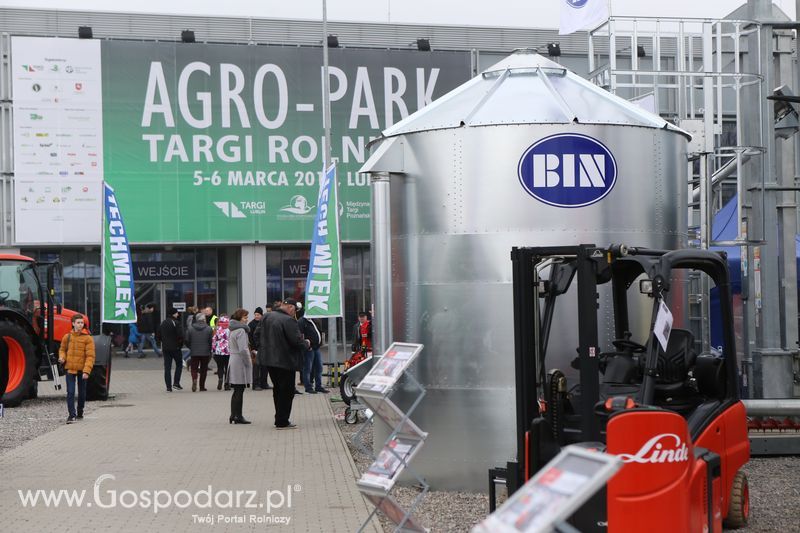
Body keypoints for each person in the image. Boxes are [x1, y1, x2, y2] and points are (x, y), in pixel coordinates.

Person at [259, 298, 309, 429]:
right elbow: (296, 341)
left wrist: (262, 348)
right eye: (295, 310)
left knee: (277, 389)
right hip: (285, 361)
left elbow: (256, 334)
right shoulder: (288, 320)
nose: (294, 313)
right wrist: (306, 343)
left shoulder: (267, 316)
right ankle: (282, 420)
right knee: (287, 391)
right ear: (291, 307)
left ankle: (279, 418)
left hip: (269, 360)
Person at [58, 314, 95, 424]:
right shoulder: (67, 337)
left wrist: (86, 371)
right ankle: (71, 415)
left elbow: (90, 356)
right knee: (70, 392)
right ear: (73, 323)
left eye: (82, 323)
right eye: (78, 323)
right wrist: (62, 358)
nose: (80, 325)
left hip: (82, 370)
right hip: (70, 369)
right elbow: (62, 350)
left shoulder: (88, 338)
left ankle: (80, 411)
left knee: (82, 393)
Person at [227, 308, 253, 424]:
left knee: (236, 389)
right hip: (239, 362)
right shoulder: (241, 330)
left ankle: (234, 415)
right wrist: (248, 362)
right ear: (239, 318)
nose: (247, 319)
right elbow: (243, 349)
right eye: (245, 317)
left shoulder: (233, 329)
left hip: (233, 359)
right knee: (239, 389)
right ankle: (238, 416)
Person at [298, 306, 328, 394]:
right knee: (307, 368)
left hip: (316, 347)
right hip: (309, 349)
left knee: (319, 367)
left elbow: (318, 331)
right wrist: (306, 345)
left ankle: (318, 386)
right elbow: (300, 335)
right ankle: (308, 387)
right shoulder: (301, 322)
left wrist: (320, 342)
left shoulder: (313, 320)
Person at [157, 307, 184, 392]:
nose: (178, 314)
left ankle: (168, 387)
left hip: (166, 348)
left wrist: (163, 341)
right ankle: (176, 383)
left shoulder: (163, 323)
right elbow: (180, 335)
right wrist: (180, 345)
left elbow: (158, 335)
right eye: (177, 313)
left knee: (167, 367)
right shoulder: (176, 323)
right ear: (173, 314)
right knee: (179, 365)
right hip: (175, 348)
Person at [185, 312, 212, 392]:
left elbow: (186, 340)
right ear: (204, 319)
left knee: (194, 368)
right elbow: (211, 341)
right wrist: (210, 349)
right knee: (204, 369)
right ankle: (202, 386)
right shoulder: (209, 328)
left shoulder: (190, 328)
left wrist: (190, 347)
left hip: (194, 351)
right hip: (205, 352)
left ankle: (194, 379)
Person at [248, 307, 270, 390]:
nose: (256, 316)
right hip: (256, 349)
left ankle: (264, 383)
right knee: (256, 367)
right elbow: (250, 338)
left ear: (261, 315)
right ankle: (256, 384)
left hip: (265, 348)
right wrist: (253, 348)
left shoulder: (265, 323)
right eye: (255, 315)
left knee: (265, 367)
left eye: (258, 315)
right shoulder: (251, 324)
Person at [212, 316, 231, 391]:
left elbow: (214, 340)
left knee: (220, 367)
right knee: (227, 368)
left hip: (218, 351)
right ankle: (227, 384)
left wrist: (213, 349)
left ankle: (220, 378)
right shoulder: (230, 330)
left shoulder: (217, 330)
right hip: (228, 351)